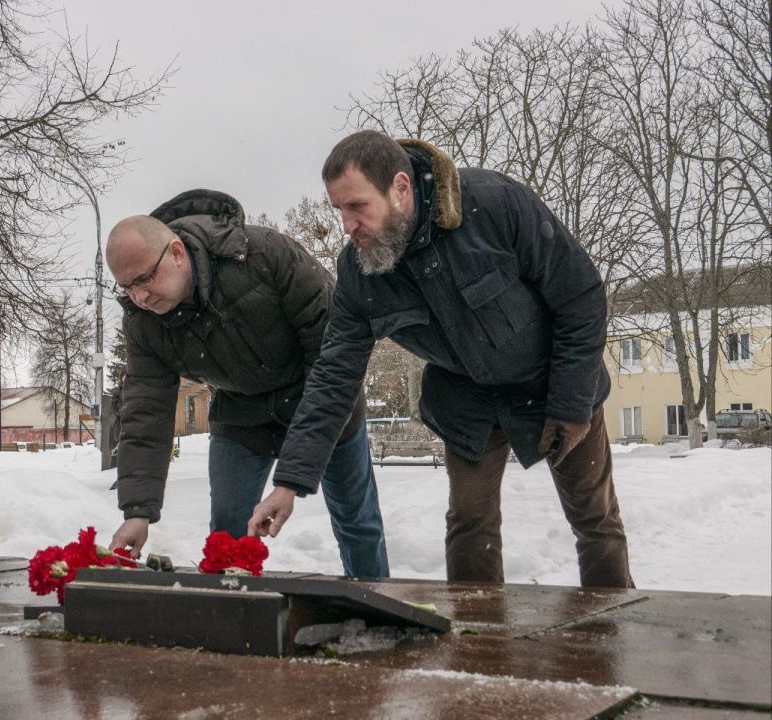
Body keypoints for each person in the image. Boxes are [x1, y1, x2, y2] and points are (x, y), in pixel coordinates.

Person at [250, 130, 633, 588]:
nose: (348, 226)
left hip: (557, 378)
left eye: (357, 207)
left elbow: (582, 298)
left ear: (400, 188)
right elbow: (334, 374)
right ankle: (478, 641)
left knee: (595, 520)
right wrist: (290, 481)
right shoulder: (359, 272)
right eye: (340, 211)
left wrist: (571, 405)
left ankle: (610, 631)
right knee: (470, 525)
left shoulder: (495, 206)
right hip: (466, 399)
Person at [105, 189, 389, 578]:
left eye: (144, 279)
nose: (139, 296)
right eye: (127, 287)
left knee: (357, 522)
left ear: (175, 252)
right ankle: (234, 619)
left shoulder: (264, 256)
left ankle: (377, 606)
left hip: (322, 400)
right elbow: (145, 411)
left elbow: (333, 357)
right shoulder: (143, 321)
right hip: (241, 415)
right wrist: (138, 512)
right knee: (227, 532)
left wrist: (291, 480)